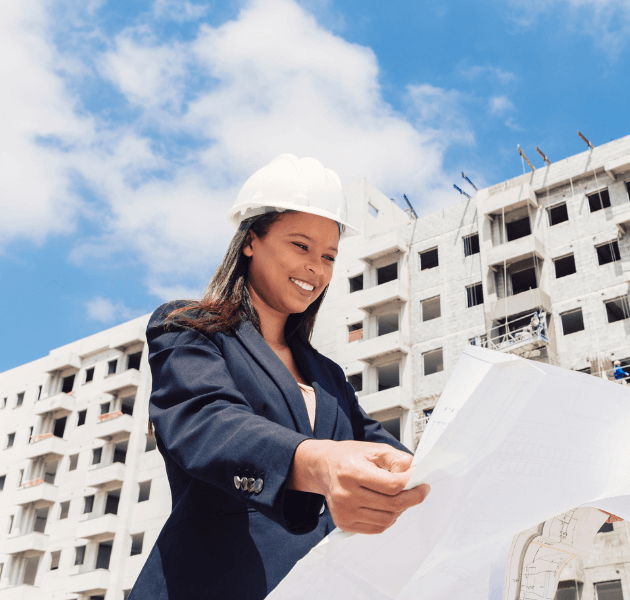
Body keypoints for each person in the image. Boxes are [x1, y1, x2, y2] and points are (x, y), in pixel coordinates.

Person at [130, 155, 430, 600]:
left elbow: (384, 455)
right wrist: (320, 463)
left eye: (328, 255)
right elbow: (205, 423)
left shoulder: (328, 376)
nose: (316, 267)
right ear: (252, 241)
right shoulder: (189, 328)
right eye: (301, 245)